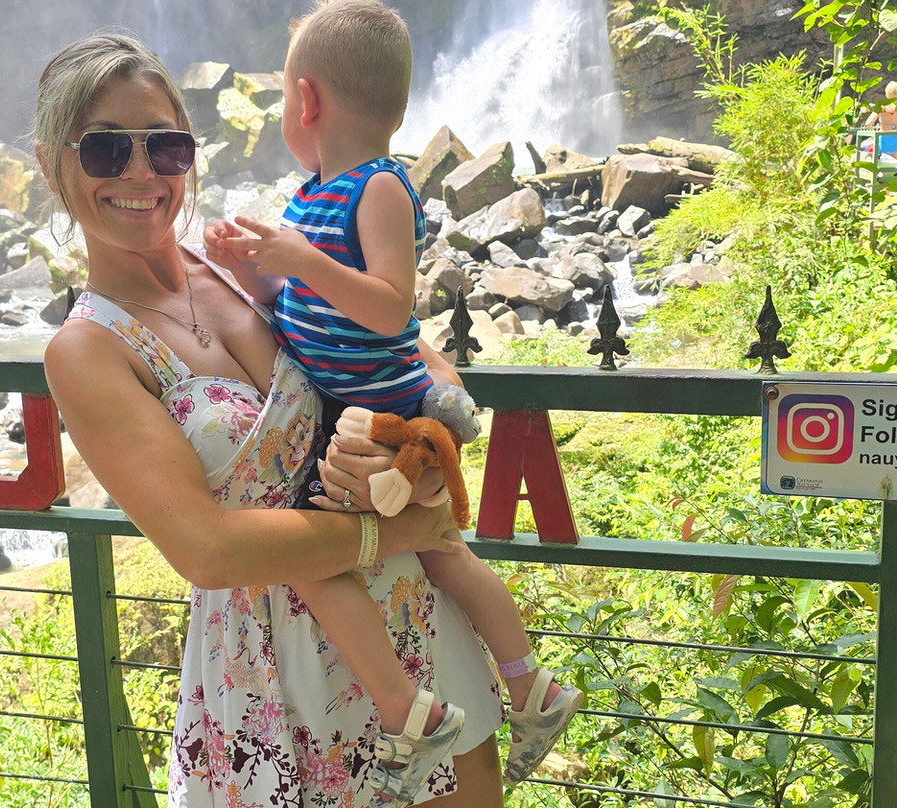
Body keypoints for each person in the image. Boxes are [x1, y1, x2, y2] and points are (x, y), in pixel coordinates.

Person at [35, 27, 510, 808]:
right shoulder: (88, 350)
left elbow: (415, 356)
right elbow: (209, 550)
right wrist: (395, 530)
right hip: (274, 677)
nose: (141, 171)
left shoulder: (245, 261)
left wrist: (428, 456)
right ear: (53, 164)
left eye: (165, 146)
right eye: (105, 148)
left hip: (416, 623)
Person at [203, 0, 582, 793]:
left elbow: (390, 308)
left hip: (380, 414)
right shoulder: (312, 193)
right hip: (348, 410)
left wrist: (302, 260)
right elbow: (295, 306)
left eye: (283, 99)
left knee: (314, 560)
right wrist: (252, 271)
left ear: (305, 100)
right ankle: (531, 690)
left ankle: (410, 710)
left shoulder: (379, 187)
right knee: (439, 552)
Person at [863, 80, 897, 161]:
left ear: (886, 94)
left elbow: (868, 123)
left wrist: (873, 138)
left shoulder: (882, 107)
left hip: (882, 143)